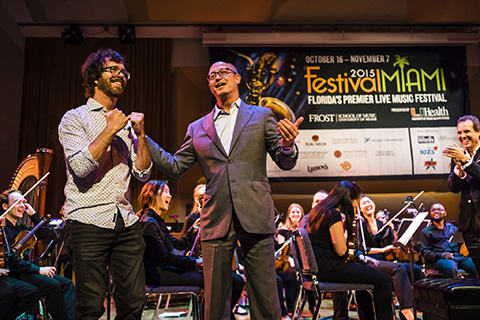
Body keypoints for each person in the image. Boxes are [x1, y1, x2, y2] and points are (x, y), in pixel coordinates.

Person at [146, 61, 303, 320]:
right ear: (209, 85)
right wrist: (142, 138)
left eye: (223, 72)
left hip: (254, 212)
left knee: (266, 297)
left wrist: (287, 144)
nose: (217, 77)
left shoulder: (261, 115)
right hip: (216, 217)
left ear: (238, 78)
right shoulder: (197, 127)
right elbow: (174, 166)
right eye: (211, 76)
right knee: (216, 301)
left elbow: (285, 161)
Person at [58, 48, 152, 319]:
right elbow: (81, 168)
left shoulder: (126, 122)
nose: (121, 75)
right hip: (87, 220)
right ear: (93, 76)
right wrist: (110, 129)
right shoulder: (75, 118)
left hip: (125, 221)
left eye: (124, 72)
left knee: (134, 304)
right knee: (90, 307)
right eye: (113, 69)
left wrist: (141, 136)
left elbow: (143, 174)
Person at [138, 180, 244, 320]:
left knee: (235, 280)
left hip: (166, 269)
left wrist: (193, 230)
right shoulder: (148, 223)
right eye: (166, 192)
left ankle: (223, 316)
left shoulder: (156, 221)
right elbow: (163, 257)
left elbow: (178, 244)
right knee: (214, 281)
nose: (170, 197)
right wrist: (195, 262)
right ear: (152, 194)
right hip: (158, 274)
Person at [307, 181, 394, 320]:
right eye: (357, 201)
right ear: (348, 199)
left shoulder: (319, 211)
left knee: (370, 275)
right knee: (384, 281)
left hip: (320, 267)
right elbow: (341, 251)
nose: (357, 205)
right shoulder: (333, 214)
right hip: (330, 268)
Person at [1, 191, 75, 320]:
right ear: (5, 206)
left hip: (25, 270)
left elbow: (46, 234)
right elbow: (11, 259)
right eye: (18, 202)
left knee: (67, 283)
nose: (23, 205)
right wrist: (39, 270)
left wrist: (33, 215)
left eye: (24, 202)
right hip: (15, 272)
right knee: (53, 285)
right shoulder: (2, 229)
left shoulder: (20, 228)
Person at [359, 195, 425, 320]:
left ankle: (419, 305)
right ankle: (405, 311)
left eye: (369, 201)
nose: (367, 204)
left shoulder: (380, 224)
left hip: (382, 262)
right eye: (363, 203)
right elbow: (361, 249)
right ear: (360, 209)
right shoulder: (360, 225)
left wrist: (390, 230)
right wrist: (383, 249)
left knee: (415, 269)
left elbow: (387, 247)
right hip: (368, 262)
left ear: (374, 203)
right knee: (399, 268)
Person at [443, 115, 480, 273]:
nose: (462, 136)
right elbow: (453, 187)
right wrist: (459, 170)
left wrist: (466, 161)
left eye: (467, 131)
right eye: (459, 133)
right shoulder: (459, 154)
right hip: (469, 224)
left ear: (478, 132)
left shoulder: (462, 156)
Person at [420, 202, 477, 278]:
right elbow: (425, 252)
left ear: (445, 213)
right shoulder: (426, 231)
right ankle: (454, 289)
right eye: (433, 210)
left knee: (476, 265)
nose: (436, 211)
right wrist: (441, 255)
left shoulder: (452, 228)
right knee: (451, 268)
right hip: (441, 259)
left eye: (439, 210)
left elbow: (461, 243)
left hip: (457, 256)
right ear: (430, 213)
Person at [275, 203, 302, 319]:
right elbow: (281, 250)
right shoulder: (282, 231)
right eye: (293, 212)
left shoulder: (304, 229)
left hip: (299, 263)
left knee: (297, 279)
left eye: (298, 212)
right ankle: (286, 312)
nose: (295, 214)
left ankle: (296, 310)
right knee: (290, 279)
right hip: (283, 264)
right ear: (289, 215)